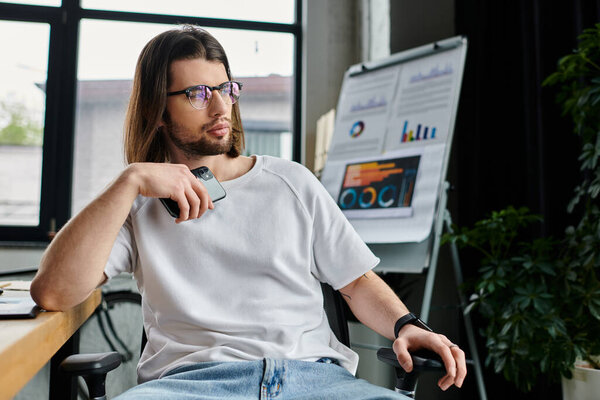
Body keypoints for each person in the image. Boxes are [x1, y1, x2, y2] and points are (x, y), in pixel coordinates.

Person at [30, 25, 466, 399]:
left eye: (225, 89)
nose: (222, 107)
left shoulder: (291, 182)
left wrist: (407, 324)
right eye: (198, 93)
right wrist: (127, 182)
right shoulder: (137, 206)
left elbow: (356, 281)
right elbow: (52, 293)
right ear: (157, 110)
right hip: (191, 384)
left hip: (312, 377)